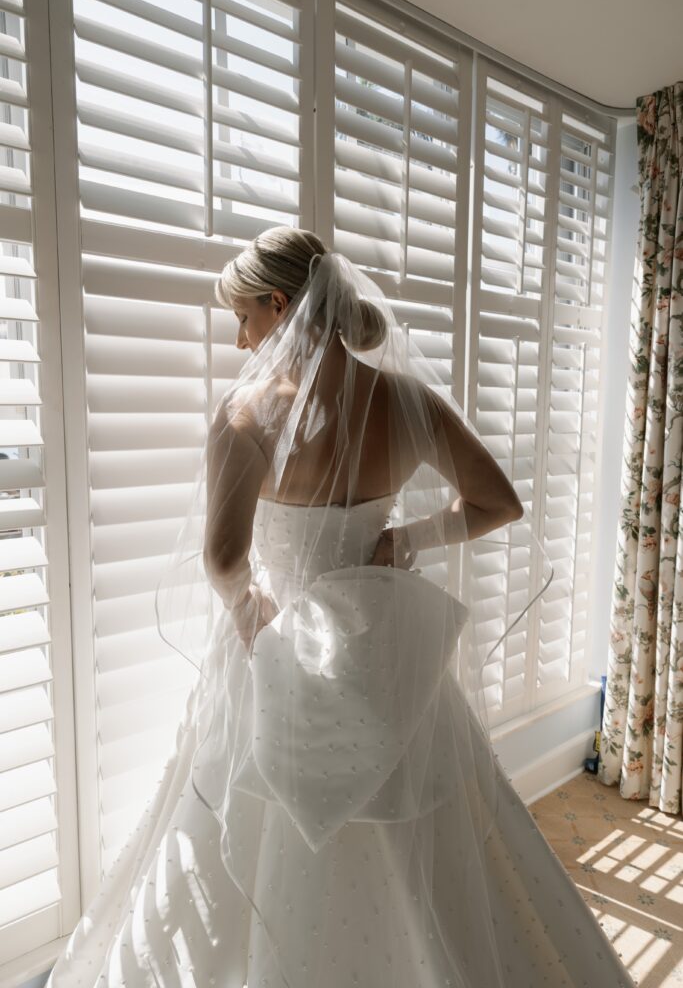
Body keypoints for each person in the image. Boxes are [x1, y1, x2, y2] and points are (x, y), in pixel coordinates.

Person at [46, 228, 636, 987]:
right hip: (384, 649)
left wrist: (251, 613)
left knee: (240, 829)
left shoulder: (247, 415)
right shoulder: (404, 398)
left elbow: (223, 559)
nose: (238, 338)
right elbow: (498, 502)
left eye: (244, 318)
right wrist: (405, 541)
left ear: (279, 304)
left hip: (279, 643)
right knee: (436, 835)